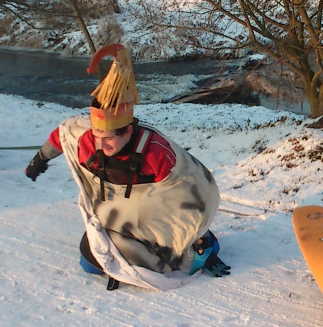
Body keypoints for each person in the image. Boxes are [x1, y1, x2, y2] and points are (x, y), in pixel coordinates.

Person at [24, 44, 229, 290]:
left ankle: (204, 244)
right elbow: (62, 135)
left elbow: (194, 191)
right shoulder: (87, 140)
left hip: (151, 220)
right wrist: (40, 159)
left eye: (108, 138)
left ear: (128, 130)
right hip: (116, 220)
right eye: (97, 136)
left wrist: (195, 236)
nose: (101, 145)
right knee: (89, 261)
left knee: (172, 261)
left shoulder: (155, 152)